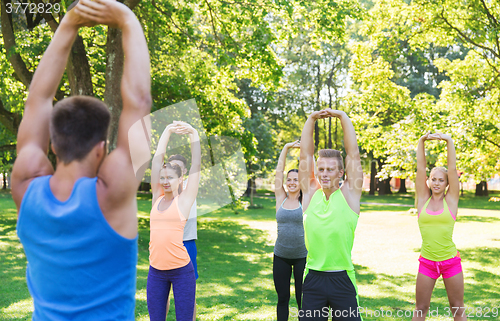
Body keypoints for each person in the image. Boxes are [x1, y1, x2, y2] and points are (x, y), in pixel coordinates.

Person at [11, 0, 151, 319]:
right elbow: (139, 102)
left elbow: (37, 99)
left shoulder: (24, 186)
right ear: (101, 148)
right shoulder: (113, 195)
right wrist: (127, 21)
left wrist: (68, 24)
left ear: (54, 145)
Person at [298, 109, 363, 321]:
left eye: (330, 169)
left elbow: (353, 154)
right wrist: (310, 119)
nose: (324, 174)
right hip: (313, 278)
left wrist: (343, 116)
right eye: (321, 169)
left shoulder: (350, 195)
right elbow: (305, 155)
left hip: (342, 278)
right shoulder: (309, 193)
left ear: (341, 173)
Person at [148, 121, 201, 321]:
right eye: (163, 178)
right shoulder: (157, 198)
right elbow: (156, 160)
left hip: (181, 271)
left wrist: (193, 133)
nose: (165, 181)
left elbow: (196, 164)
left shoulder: (184, 201)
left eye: (170, 177)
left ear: (180, 179)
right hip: (156, 271)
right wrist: (167, 130)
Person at [413, 132, 464, 321]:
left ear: (447, 183)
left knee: (457, 308)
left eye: (441, 180)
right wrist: (421, 142)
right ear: (429, 180)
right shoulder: (423, 199)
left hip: (450, 262)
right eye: (433, 179)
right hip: (427, 262)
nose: (436, 182)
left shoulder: (450, 201)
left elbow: (452, 168)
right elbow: (420, 168)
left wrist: (449, 140)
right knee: (420, 308)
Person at [273, 140, 308, 321]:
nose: (292, 182)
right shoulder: (281, 197)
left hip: (303, 256)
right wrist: (286, 148)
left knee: (302, 300)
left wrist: (305, 151)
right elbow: (278, 172)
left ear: (301, 182)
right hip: (281, 256)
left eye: (296, 180)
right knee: (282, 299)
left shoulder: (307, 200)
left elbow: (312, 172)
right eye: (290, 180)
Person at [165, 153, 198, 321]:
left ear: (185, 170)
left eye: (178, 167)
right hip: (166, 245)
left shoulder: (190, 187)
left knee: (188, 293)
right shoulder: (165, 189)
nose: (175, 169)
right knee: (163, 292)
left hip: (187, 244)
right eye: (172, 167)